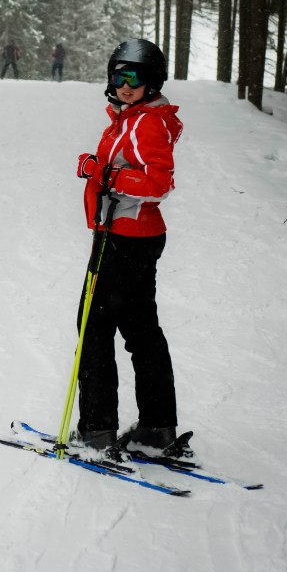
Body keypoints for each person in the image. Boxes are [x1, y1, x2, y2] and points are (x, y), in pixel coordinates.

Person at [74, 38, 187, 461]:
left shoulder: (145, 124)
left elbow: (158, 184)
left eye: (135, 78)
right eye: (119, 76)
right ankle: (156, 427)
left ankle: (96, 430)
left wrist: (101, 173)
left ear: (152, 82)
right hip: (135, 238)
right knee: (141, 330)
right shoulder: (131, 118)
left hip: (124, 238)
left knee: (94, 329)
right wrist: (100, 169)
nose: (125, 85)